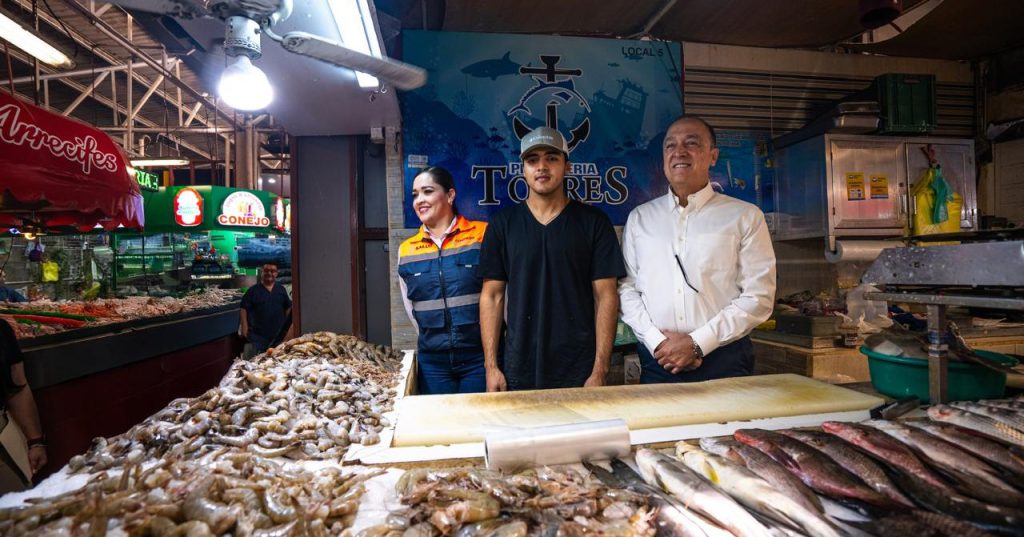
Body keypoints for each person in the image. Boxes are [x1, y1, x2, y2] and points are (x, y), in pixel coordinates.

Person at [619, 116, 776, 383]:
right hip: (659, 360)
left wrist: (698, 343)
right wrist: (658, 342)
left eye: (691, 143)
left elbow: (758, 296)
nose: (679, 152)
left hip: (724, 360)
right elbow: (627, 289)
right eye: (671, 145)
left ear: (713, 156)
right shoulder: (640, 219)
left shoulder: (745, 216)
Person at [478, 127, 625, 391]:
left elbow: (606, 296)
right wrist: (491, 367)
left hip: (580, 370)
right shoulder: (502, 225)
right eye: (532, 160)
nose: (542, 167)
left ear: (567, 166)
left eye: (552, 158)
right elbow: (492, 296)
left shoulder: (594, 223)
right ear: (523, 168)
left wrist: (600, 370)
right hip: (518, 368)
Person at [397, 166, 488, 394]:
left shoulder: (482, 235)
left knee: (479, 416)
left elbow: (499, 297)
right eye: (415, 194)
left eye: (427, 191)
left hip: (479, 357)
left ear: (450, 195)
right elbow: (411, 308)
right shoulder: (406, 249)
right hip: (433, 363)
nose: (420, 200)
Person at [0, 319, 46, 492]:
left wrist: (36, 441)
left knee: (19, 500)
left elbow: (17, 388)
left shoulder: (1, 329)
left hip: (3, 437)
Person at [240, 262, 291, 355]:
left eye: (272, 271)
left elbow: (287, 308)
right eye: (266, 271)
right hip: (258, 335)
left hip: (278, 334)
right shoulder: (253, 291)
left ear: (276, 273)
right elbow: (243, 308)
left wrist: (289, 327)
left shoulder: (281, 290)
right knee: (258, 359)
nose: (269, 273)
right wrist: (244, 326)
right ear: (262, 272)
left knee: (277, 358)